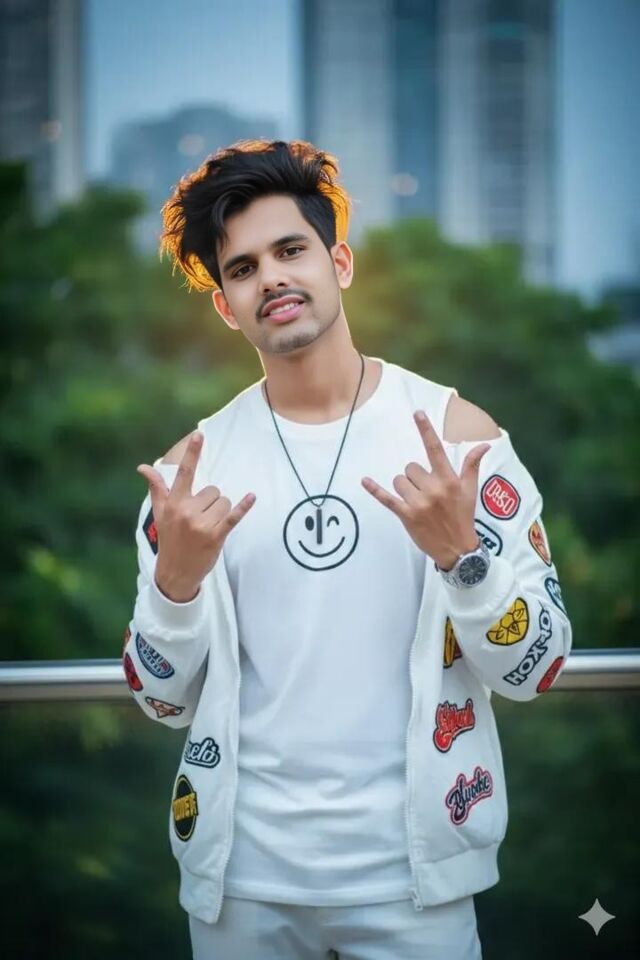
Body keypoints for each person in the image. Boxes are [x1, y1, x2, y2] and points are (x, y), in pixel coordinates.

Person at [126, 139, 573, 960]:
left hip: (416, 880)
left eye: (290, 250)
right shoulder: (193, 473)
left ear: (339, 263)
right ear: (226, 306)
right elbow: (159, 702)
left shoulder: (458, 439)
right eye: (244, 268)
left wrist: (465, 561)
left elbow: (535, 670)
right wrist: (174, 587)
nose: (272, 279)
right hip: (241, 886)